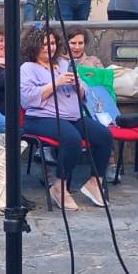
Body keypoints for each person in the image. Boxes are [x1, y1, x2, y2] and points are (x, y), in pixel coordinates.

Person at [20, 27, 111, 209]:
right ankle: (59, 186)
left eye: (53, 43)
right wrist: (57, 82)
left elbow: (84, 92)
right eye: (45, 44)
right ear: (34, 45)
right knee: (72, 139)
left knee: (104, 136)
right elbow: (27, 98)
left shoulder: (63, 63)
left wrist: (78, 85)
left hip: (72, 116)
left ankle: (95, 182)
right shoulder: (28, 68)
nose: (50, 47)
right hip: (41, 118)